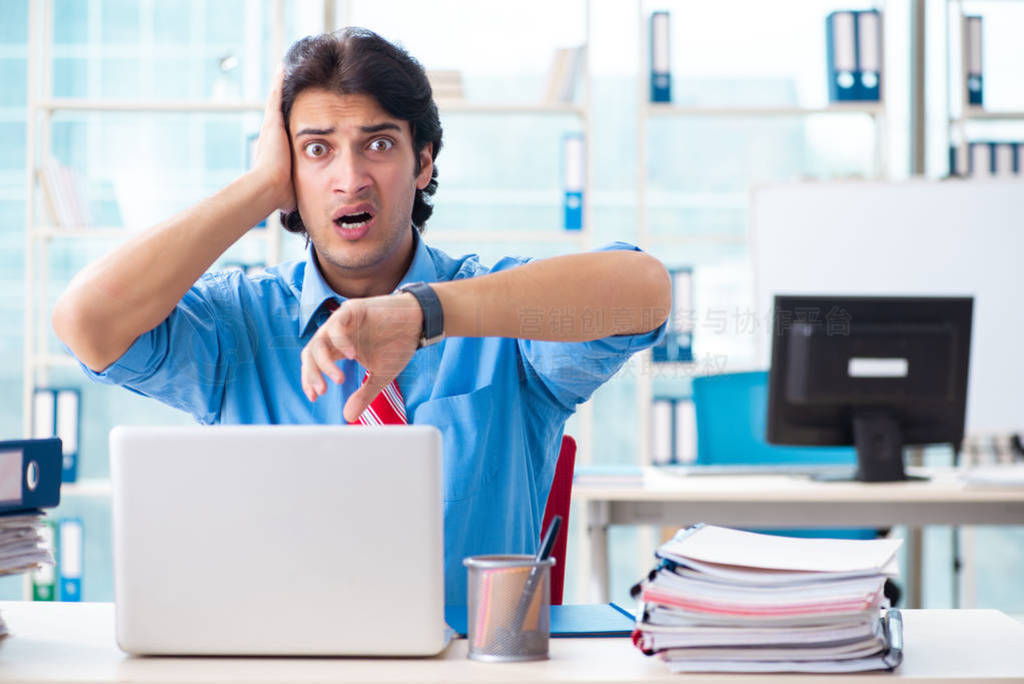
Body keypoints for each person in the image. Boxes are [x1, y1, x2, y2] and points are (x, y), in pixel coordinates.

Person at [53, 28, 671, 604]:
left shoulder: (497, 309)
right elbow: (87, 320)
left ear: (423, 163)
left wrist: (426, 313)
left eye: (378, 145)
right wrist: (263, 187)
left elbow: (644, 290)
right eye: (316, 151)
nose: (350, 179)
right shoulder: (235, 324)